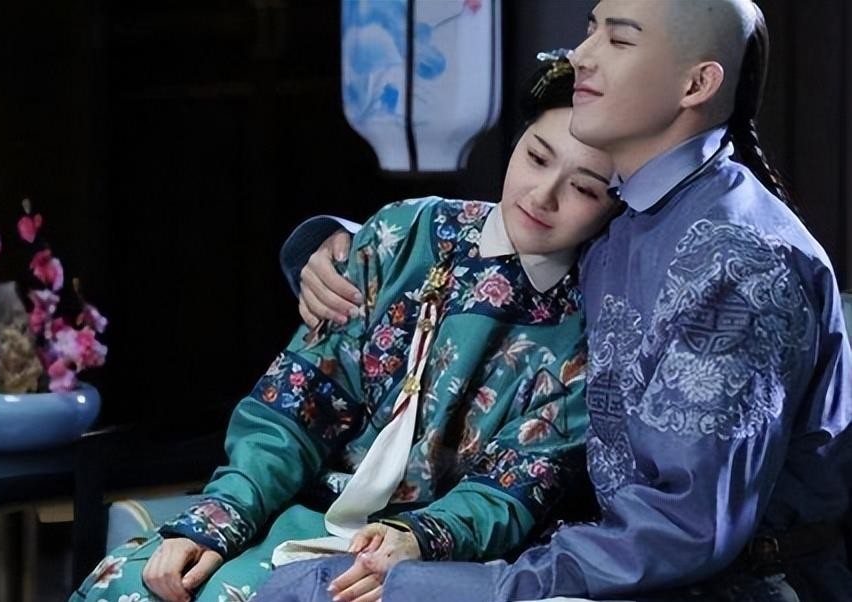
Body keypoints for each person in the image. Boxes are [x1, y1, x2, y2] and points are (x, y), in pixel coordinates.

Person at [259, 1, 852, 601]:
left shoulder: (733, 263)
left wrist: (472, 586)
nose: (580, 55)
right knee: (304, 583)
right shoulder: (633, 209)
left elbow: (685, 529)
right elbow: (486, 248)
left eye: (619, 40)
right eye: (590, 29)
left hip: (721, 583)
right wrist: (337, 247)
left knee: (330, 590)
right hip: (610, 562)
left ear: (695, 84)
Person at [70, 54, 622, 602]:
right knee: (129, 586)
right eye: (537, 157)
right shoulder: (404, 233)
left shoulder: (593, 322)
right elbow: (297, 405)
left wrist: (417, 541)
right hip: (307, 508)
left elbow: (514, 487)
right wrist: (219, 518)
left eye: (584, 189)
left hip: (434, 553)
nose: (542, 195)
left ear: (615, 204)